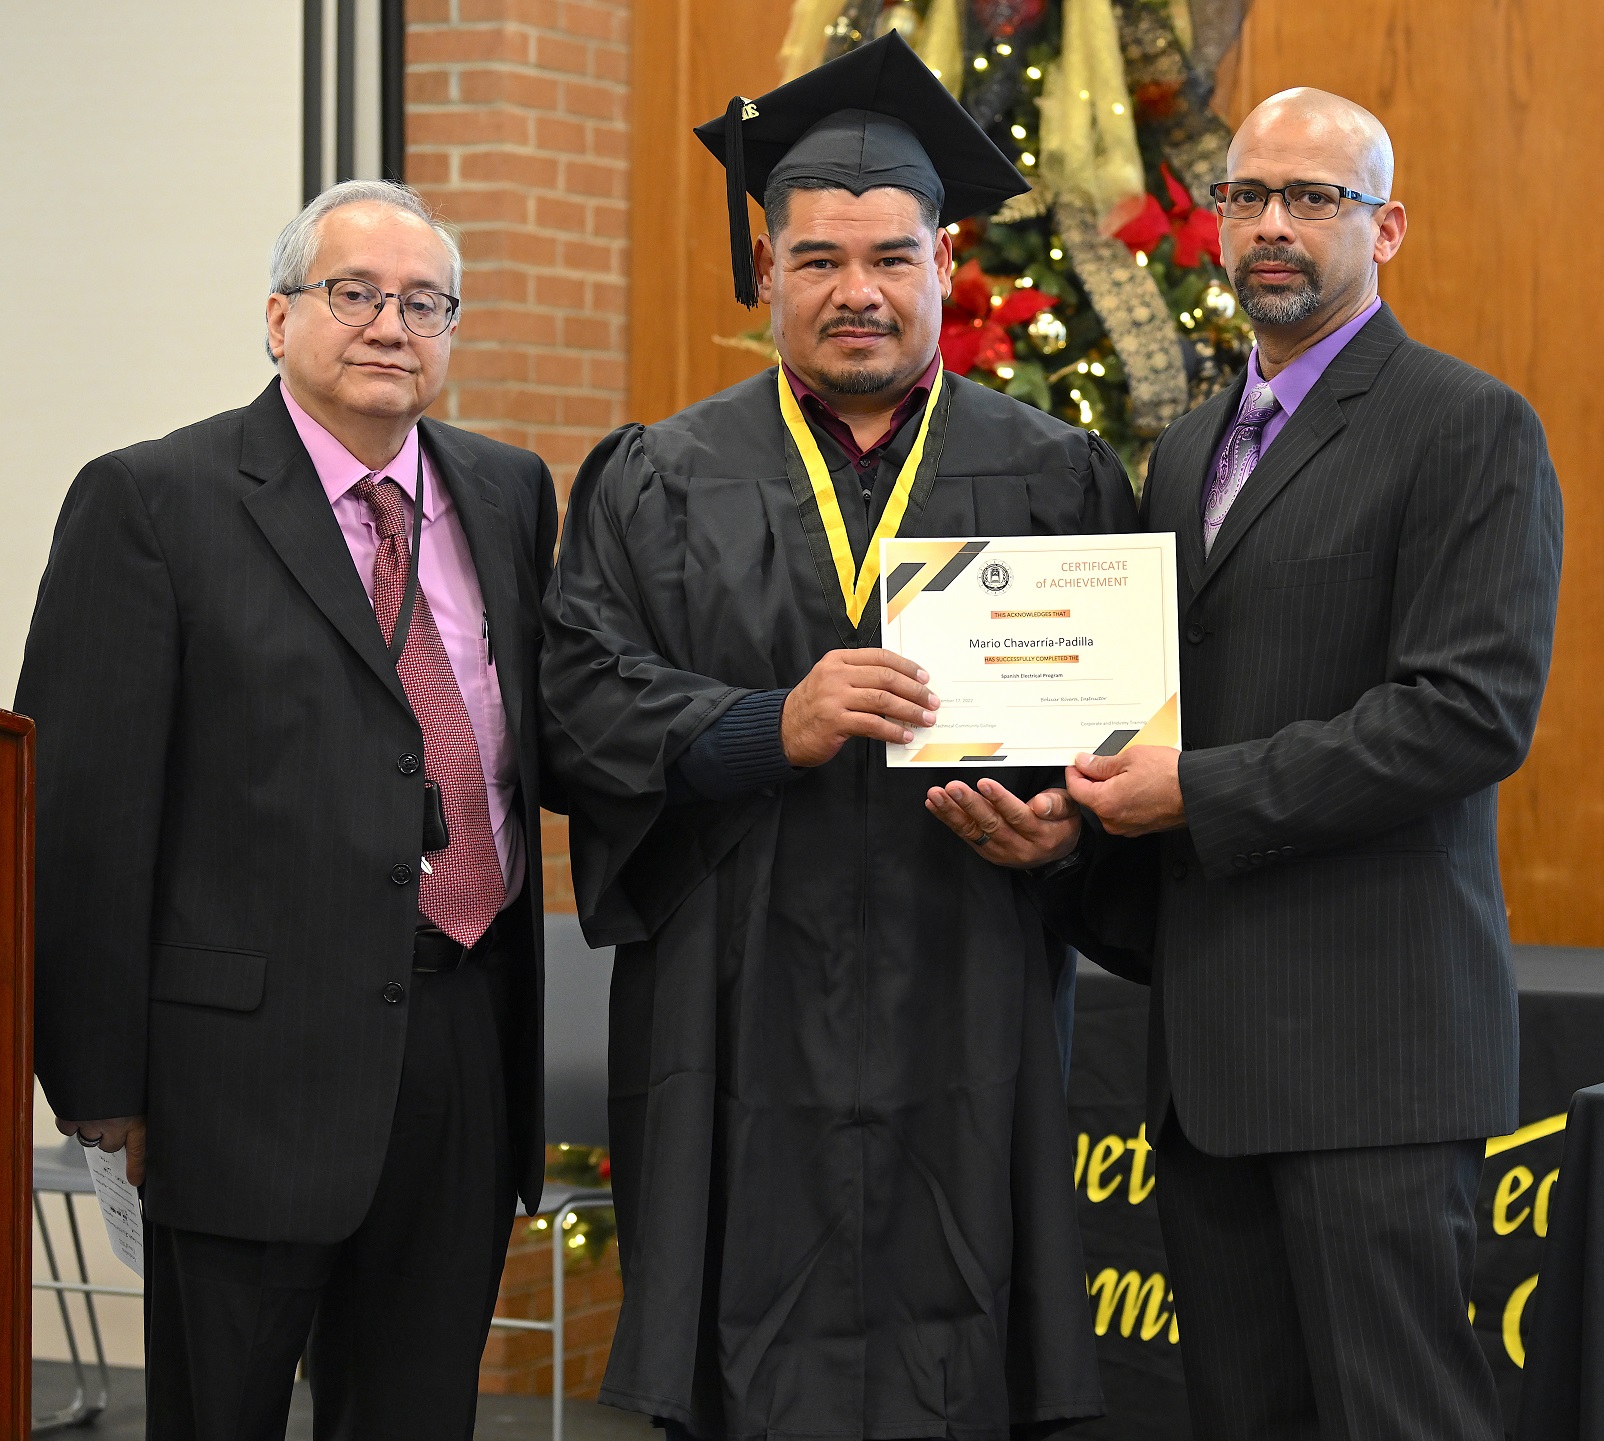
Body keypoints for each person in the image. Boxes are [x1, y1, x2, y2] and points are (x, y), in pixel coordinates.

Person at [932, 89, 1564, 1440]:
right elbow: (1161, 713)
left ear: (1384, 226)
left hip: (1372, 1063)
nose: (1272, 224)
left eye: (1314, 198)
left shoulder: (1469, 427)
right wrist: (1074, 826)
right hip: (1208, 1060)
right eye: (1247, 196)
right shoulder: (1184, 451)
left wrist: (1193, 796)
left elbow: (1465, 716)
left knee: (1401, 1418)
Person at [540, 32, 1134, 1441]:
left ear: (944, 265)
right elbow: (577, 696)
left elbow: (1126, 727)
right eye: (817, 260)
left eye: (889, 257)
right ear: (767, 267)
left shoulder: (1056, 476)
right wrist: (767, 721)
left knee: (968, 1332)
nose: (855, 292)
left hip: (968, 971)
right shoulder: (661, 476)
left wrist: (1072, 821)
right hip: (735, 993)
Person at [16, 179, 560, 1441]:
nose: (389, 324)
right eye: (353, 292)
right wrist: (99, 1086)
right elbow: (83, 817)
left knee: (418, 1412)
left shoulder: (507, 492)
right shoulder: (153, 501)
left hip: (464, 1036)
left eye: (423, 301)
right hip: (238, 1078)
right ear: (276, 318)